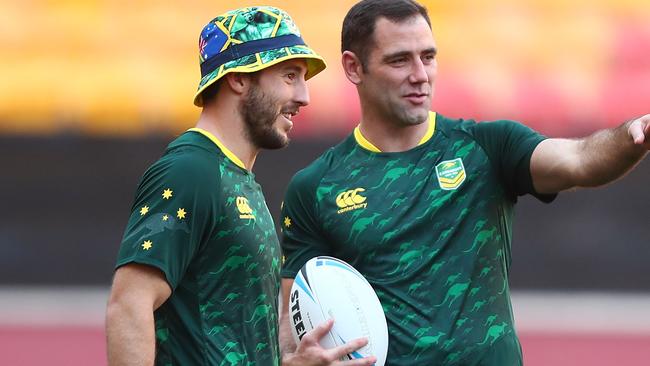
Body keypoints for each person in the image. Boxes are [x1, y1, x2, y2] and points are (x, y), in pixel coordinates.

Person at [278, 0, 650, 365]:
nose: (420, 74)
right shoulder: (317, 187)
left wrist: (633, 135)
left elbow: (580, 160)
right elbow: (291, 323)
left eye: (428, 56)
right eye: (399, 60)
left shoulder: (487, 147)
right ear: (354, 67)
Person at [106, 6, 376, 366]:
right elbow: (129, 305)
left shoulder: (236, 179)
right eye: (289, 76)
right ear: (239, 78)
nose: (304, 96)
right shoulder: (190, 172)